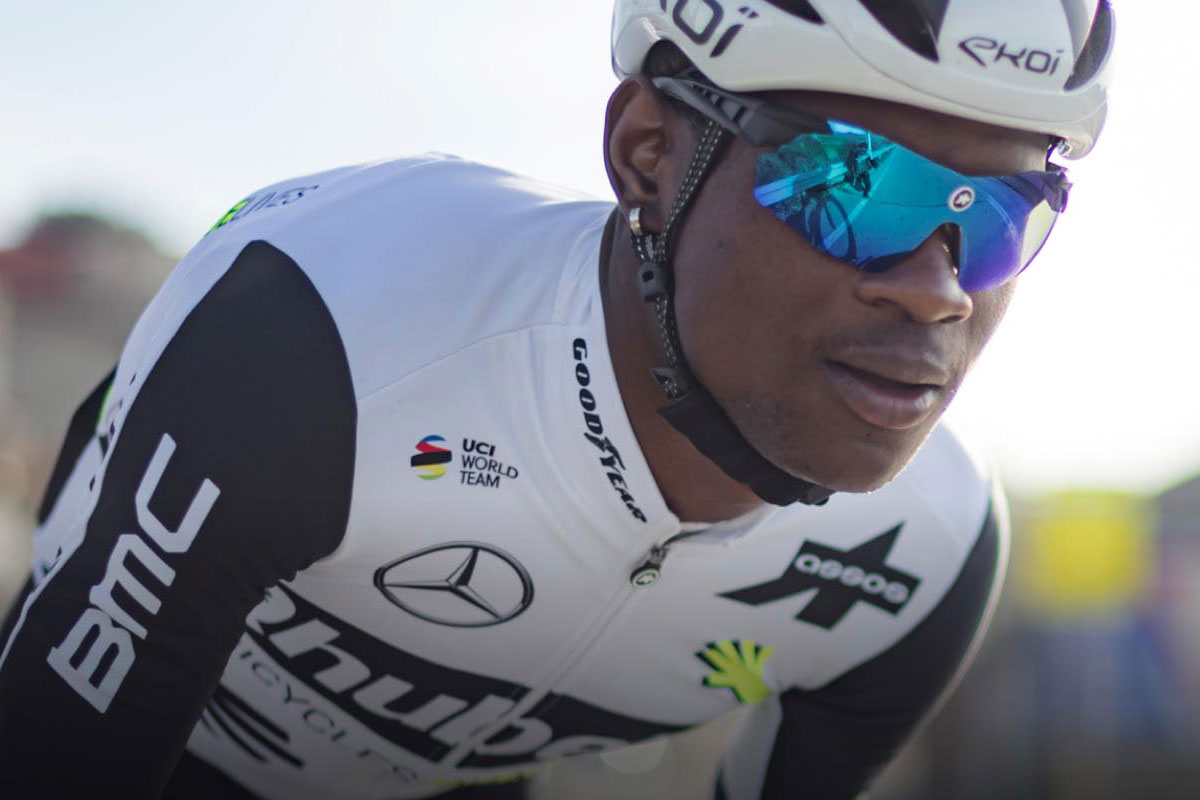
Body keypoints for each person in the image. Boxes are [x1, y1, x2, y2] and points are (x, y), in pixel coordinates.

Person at [0, 1, 1114, 798]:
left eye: (1000, 216)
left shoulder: (931, 554)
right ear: (648, 153)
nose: (935, 290)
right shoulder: (329, 330)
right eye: (857, 187)